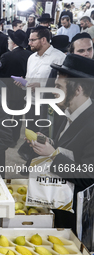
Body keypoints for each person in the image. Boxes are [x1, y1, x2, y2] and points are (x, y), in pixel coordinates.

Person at [29, 54, 94, 233]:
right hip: (60, 204)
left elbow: (87, 176)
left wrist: (52, 154)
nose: (53, 92)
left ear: (78, 89)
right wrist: (48, 144)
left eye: (58, 87)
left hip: (78, 219)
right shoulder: (67, 114)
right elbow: (69, 148)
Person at [16, 26, 66, 160]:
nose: (29, 43)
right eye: (29, 40)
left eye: (33, 40)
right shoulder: (31, 58)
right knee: (30, 135)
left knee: (43, 137)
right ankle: (30, 162)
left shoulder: (59, 58)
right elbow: (29, 80)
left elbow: (61, 86)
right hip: (30, 103)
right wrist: (23, 83)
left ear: (43, 40)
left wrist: (42, 86)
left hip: (46, 106)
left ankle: (39, 164)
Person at [0, 29, 33, 148]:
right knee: (18, 116)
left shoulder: (6, 56)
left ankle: (6, 138)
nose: (8, 41)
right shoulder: (29, 55)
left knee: (6, 117)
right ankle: (14, 139)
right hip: (22, 92)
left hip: (7, 92)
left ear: (13, 43)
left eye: (9, 39)